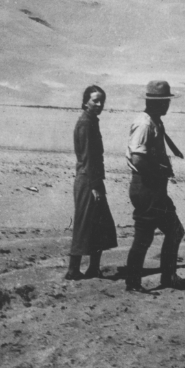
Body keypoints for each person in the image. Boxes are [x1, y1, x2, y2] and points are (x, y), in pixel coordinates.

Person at [124, 80, 185, 291]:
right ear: (157, 103)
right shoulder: (145, 124)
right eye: (165, 101)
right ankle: (135, 283)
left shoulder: (154, 121)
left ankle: (164, 278)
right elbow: (138, 160)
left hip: (153, 190)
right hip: (147, 189)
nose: (168, 105)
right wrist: (160, 170)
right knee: (148, 236)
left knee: (171, 231)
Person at [67, 85, 118, 280]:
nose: (99, 104)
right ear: (85, 101)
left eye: (101, 101)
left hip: (93, 179)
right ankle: (73, 270)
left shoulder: (91, 121)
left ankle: (93, 268)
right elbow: (89, 158)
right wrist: (96, 186)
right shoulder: (86, 123)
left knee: (101, 224)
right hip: (88, 180)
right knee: (84, 224)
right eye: (95, 100)